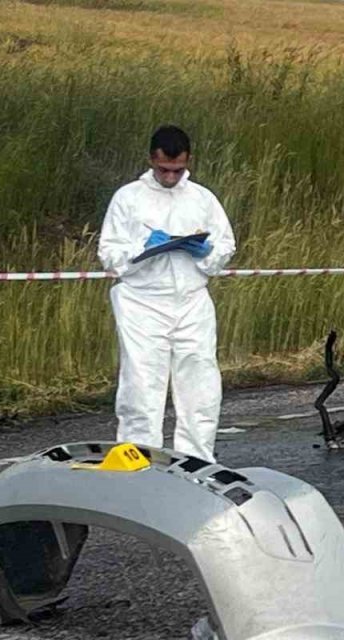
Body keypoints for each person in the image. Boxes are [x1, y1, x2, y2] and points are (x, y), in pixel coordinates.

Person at [97, 125, 236, 462]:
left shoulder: (202, 199)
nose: (171, 177)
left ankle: (197, 463)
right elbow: (109, 255)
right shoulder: (128, 198)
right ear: (151, 160)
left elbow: (225, 245)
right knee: (141, 387)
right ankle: (138, 461)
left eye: (178, 170)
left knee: (200, 386)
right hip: (142, 302)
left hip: (192, 299)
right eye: (164, 170)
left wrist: (205, 252)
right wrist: (142, 247)